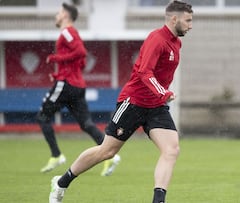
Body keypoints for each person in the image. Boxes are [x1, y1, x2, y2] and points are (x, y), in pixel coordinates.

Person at [48, 1, 193, 202]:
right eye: (188, 20)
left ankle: (158, 200)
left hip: (156, 105)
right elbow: (144, 72)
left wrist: (160, 95)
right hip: (133, 102)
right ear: (174, 18)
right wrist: (163, 92)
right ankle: (61, 182)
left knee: (171, 149)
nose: (190, 25)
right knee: (107, 151)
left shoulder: (176, 43)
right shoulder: (156, 39)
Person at [36, 2, 120, 176]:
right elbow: (80, 62)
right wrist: (62, 72)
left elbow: (81, 53)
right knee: (86, 123)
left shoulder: (66, 32)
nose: (56, 15)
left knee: (43, 116)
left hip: (67, 84)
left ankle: (56, 155)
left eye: (59, 12)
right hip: (76, 85)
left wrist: (57, 59)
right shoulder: (74, 34)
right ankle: (110, 155)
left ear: (66, 15)